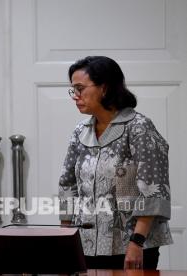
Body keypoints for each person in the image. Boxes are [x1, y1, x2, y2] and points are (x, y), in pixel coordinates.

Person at [58, 56, 172, 270]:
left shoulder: (139, 128)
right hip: (85, 245)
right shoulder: (80, 131)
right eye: (73, 90)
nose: (75, 96)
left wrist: (137, 242)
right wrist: (65, 238)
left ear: (104, 88)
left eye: (80, 88)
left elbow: (153, 189)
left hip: (131, 247)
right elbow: (67, 184)